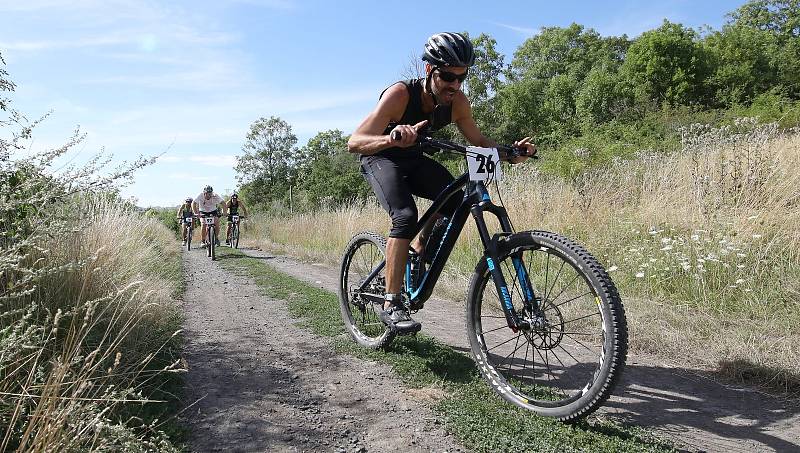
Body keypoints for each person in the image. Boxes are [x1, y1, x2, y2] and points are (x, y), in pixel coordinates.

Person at [347, 32, 536, 334]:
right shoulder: (400, 95)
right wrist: (393, 137)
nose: (455, 85)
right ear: (428, 70)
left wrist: (511, 153)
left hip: (414, 159)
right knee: (405, 216)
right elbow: (355, 142)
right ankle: (391, 302)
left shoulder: (457, 102)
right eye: (448, 76)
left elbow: (479, 141)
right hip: (381, 158)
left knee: (455, 199)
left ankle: (418, 250)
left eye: (462, 78)